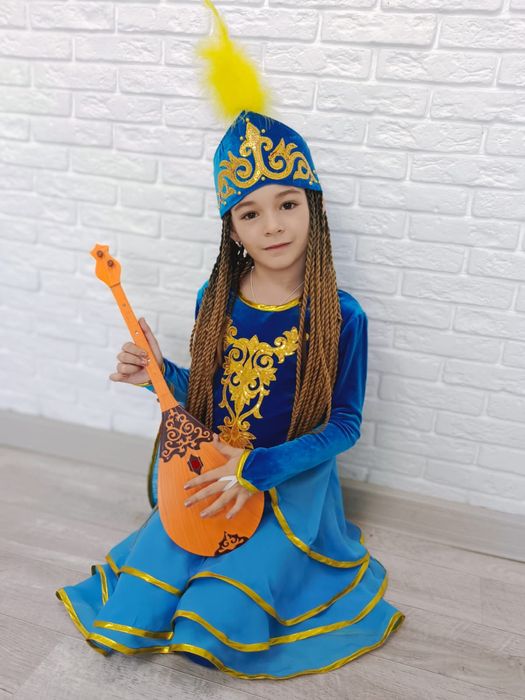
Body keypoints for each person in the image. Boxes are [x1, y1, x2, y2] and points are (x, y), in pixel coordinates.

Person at [55, 1, 405, 679]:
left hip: (285, 485)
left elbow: (344, 425)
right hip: (212, 468)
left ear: (312, 208)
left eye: (287, 204)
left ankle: (218, 615)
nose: (272, 225)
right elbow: (208, 398)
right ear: (233, 230)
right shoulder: (213, 300)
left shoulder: (341, 316)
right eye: (250, 212)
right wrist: (159, 375)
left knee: (226, 597)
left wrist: (259, 470)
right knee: (154, 571)